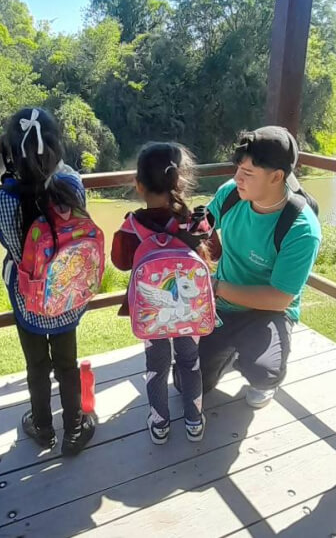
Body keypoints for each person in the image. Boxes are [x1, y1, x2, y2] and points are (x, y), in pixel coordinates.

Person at [0, 107, 97, 457]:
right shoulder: (73, 189)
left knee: (37, 366)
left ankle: (43, 427)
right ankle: (74, 430)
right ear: (57, 150)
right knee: (67, 365)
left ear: (9, 152)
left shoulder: (1, 201)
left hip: (27, 301)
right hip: (66, 297)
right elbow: (64, 172)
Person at [186, 126, 322, 408]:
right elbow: (202, 227)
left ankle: (263, 373)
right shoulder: (231, 194)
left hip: (268, 313)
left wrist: (216, 287)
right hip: (223, 306)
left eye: (248, 174)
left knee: (264, 370)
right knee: (188, 384)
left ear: (277, 176)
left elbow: (279, 298)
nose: (237, 178)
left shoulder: (301, 229)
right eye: (238, 169)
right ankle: (227, 352)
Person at [111, 142, 209, 444]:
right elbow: (212, 251)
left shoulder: (132, 226)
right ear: (180, 182)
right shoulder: (195, 221)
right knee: (189, 362)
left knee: (156, 366)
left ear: (138, 185)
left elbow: (120, 262)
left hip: (153, 314)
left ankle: (160, 422)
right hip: (188, 312)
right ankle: (194, 421)